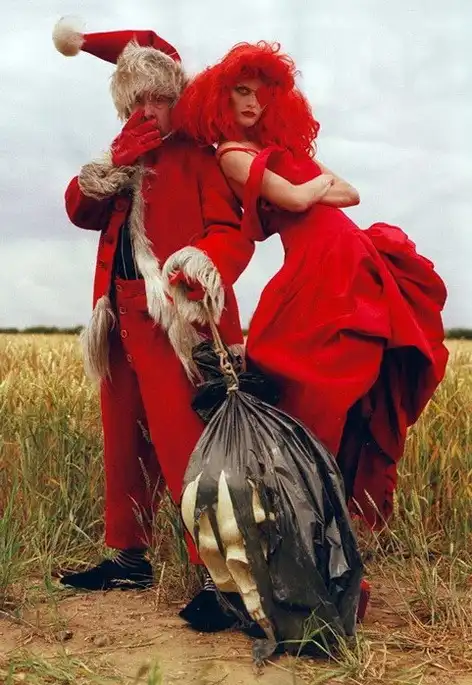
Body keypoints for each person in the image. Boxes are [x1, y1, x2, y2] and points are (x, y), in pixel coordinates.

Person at [167, 41, 449, 617]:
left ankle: (326, 561)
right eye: (240, 92)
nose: (252, 102)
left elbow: (352, 193)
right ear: (221, 100)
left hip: (352, 264)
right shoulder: (232, 154)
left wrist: (309, 186)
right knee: (310, 410)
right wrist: (313, 186)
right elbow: (299, 197)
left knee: (350, 403)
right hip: (318, 274)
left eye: (260, 93)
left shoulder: (280, 151)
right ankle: (299, 565)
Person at [51, 19, 255, 627]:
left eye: (159, 98)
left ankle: (226, 579)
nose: (148, 110)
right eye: (137, 99)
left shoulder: (198, 156)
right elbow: (78, 210)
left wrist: (200, 267)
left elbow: (232, 235)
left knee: (189, 446)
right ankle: (128, 558)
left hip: (176, 323)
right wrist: (111, 163)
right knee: (124, 444)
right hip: (116, 319)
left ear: (178, 98)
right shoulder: (123, 155)